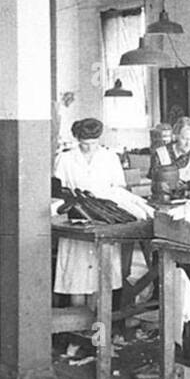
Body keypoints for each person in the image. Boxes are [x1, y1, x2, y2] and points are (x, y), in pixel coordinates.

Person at [53, 118, 128, 298]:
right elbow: (57, 191)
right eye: (85, 144)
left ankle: (98, 322)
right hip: (76, 217)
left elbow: (119, 187)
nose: (90, 148)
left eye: (94, 143)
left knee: (101, 277)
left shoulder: (109, 157)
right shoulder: (65, 158)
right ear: (78, 139)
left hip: (104, 217)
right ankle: (78, 322)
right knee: (76, 276)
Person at [150, 116, 190, 198]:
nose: (188, 143)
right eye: (184, 139)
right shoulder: (161, 153)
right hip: (166, 199)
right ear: (176, 136)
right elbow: (153, 183)